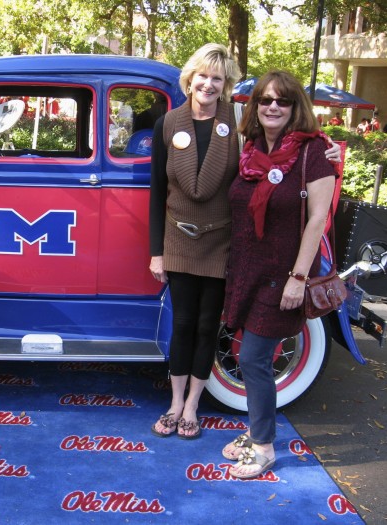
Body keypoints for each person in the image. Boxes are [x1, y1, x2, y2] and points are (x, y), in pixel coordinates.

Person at [222, 70, 337, 479]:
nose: (272, 106)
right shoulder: (250, 150)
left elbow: (317, 219)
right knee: (249, 357)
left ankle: (264, 446)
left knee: (253, 358)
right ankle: (256, 430)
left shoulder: (315, 153)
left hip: (282, 274)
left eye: (282, 101)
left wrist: (299, 276)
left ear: (295, 108)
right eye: (265, 100)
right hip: (247, 271)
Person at [149, 43, 241, 439]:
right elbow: (156, 191)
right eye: (202, 75)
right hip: (179, 240)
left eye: (217, 78)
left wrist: (318, 147)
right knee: (182, 323)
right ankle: (173, 402)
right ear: (190, 78)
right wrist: (157, 252)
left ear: (225, 85)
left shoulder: (237, 124)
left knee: (207, 327)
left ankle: (192, 406)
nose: (208, 83)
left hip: (221, 240)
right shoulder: (168, 123)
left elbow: (283, 141)